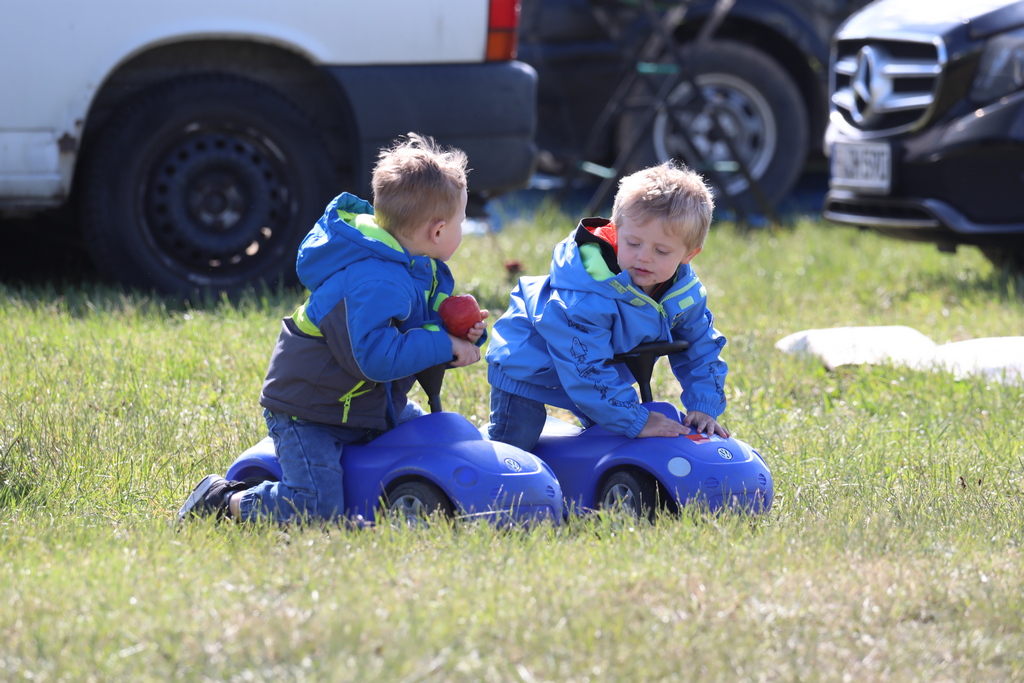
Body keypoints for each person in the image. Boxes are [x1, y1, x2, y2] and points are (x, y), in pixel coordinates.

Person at [178, 133, 488, 524]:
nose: (464, 227)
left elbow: (424, 327)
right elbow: (375, 357)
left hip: (367, 407)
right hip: (311, 412)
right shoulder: (375, 280)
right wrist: (442, 344)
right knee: (316, 506)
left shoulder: (418, 268)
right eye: (463, 220)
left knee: (440, 439)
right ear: (438, 231)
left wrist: (462, 335)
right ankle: (224, 502)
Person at [485, 160, 728, 453]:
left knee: (611, 445)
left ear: (689, 254)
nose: (644, 257)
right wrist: (634, 418)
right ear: (615, 232)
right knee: (515, 448)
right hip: (529, 369)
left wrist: (703, 405)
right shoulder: (586, 295)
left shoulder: (683, 294)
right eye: (633, 243)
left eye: (661, 250)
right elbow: (584, 366)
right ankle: (474, 461)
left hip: (598, 375)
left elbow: (701, 346)